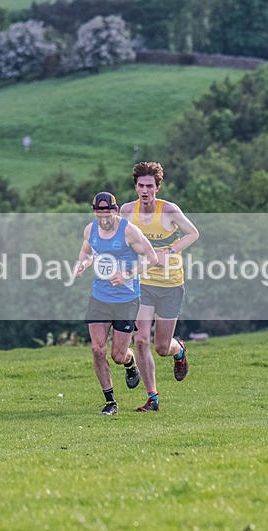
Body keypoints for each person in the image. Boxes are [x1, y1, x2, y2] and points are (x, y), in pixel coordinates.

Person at [120, 162, 199, 413]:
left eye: (150, 187)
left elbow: (193, 233)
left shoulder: (169, 211)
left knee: (161, 347)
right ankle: (152, 398)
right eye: (141, 186)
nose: (145, 191)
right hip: (142, 283)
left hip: (170, 284)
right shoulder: (126, 211)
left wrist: (170, 251)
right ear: (135, 187)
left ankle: (179, 350)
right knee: (141, 339)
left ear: (157, 187)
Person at [74, 192, 159, 415]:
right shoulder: (90, 229)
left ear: (116, 210)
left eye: (107, 213)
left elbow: (152, 258)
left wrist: (127, 274)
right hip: (99, 298)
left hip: (126, 300)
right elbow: (87, 250)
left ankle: (130, 363)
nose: (103, 218)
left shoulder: (129, 231)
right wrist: (82, 263)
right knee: (97, 349)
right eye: (99, 213)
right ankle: (111, 402)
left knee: (117, 356)